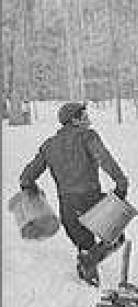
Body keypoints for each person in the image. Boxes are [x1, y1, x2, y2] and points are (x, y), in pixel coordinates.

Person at [19, 102, 129, 287]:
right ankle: (89, 261)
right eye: (84, 115)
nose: (88, 119)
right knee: (116, 237)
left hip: (68, 207)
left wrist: (32, 193)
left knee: (85, 248)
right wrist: (121, 183)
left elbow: (25, 179)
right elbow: (104, 159)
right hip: (93, 202)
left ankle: (88, 270)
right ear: (75, 119)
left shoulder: (49, 145)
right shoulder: (87, 136)